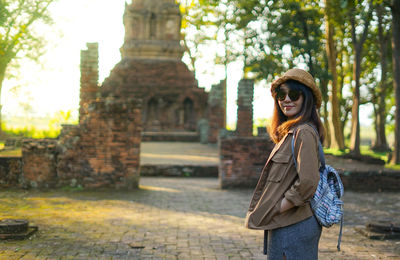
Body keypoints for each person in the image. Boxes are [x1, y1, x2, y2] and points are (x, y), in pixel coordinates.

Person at [245, 68, 325, 260]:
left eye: (294, 94)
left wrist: (278, 207)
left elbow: (308, 182)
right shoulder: (291, 132)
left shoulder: (303, 132)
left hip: (294, 223)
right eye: (281, 95)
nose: (286, 100)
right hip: (284, 222)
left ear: (306, 99)